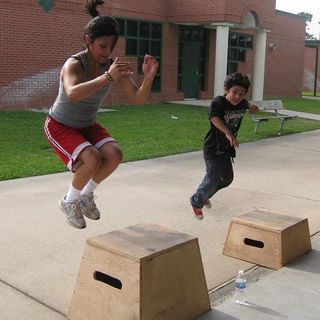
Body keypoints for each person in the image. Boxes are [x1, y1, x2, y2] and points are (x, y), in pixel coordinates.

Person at [44, 0, 158, 229]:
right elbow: (73, 93)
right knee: (92, 158)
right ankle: (69, 201)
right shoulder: (74, 64)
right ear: (89, 41)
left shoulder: (112, 66)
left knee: (115, 154)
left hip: (86, 124)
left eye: (111, 47)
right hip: (60, 124)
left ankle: (86, 196)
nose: (107, 53)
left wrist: (149, 77)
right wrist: (107, 77)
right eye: (102, 46)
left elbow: (138, 99)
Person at [190, 72, 259, 220]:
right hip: (213, 147)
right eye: (234, 92)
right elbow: (214, 118)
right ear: (226, 89)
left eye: (242, 93)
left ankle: (203, 195)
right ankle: (196, 202)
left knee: (227, 179)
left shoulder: (242, 102)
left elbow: (246, 104)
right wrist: (228, 132)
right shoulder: (218, 102)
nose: (237, 97)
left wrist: (252, 107)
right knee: (213, 178)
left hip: (226, 149)